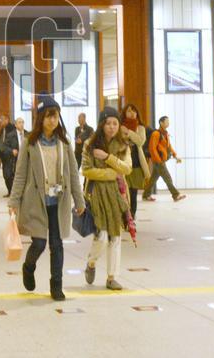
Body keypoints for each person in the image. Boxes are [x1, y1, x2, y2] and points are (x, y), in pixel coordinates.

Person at [9, 97, 85, 301]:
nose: (53, 120)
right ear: (41, 118)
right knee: (40, 243)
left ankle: (56, 286)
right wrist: (13, 202)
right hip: (37, 202)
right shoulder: (29, 143)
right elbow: (20, 175)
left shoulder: (64, 143)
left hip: (58, 202)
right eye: (49, 116)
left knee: (57, 244)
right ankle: (29, 267)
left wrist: (79, 201)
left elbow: (73, 175)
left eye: (56, 116)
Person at [83, 106, 133, 291]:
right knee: (102, 236)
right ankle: (91, 262)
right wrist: (111, 174)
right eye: (108, 123)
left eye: (115, 123)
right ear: (101, 125)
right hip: (96, 195)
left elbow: (127, 169)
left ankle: (112, 277)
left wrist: (108, 157)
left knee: (115, 237)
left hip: (116, 195)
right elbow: (86, 170)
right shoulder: (90, 144)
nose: (112, 127)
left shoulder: (123, 146)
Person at [142, 116, 186, 202]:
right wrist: (158, 160)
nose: (168, 123)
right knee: (167, 178)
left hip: (161, 160)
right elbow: (152, 148)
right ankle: (175, 195)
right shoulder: (156, 134)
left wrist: (175, 156)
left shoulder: (165, 134)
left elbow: (169, 147)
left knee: (153, 179)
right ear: (161, 123)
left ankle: (146, 195)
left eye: (168, 122)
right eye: (166, 122)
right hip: (158, 161)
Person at [121, 104, 151, 219]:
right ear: (124, 113)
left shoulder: (141, 128)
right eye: (129, 111)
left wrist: (128, 132)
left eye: (134, 111)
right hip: (123, 164)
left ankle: (131, 217)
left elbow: (140, 141)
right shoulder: (119, 126)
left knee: (133, 193)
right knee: (124, 192)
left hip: (137, 164)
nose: (132, 113)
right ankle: (124, 216)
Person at [0, 114, 20, 197]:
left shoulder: (12, 129)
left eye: (2, 120)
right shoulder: (2, 130)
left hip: (11, 156)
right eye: (0, 121)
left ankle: (12, 192)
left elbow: (15, 142)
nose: (0, 122)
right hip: (4, 156)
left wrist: (12, 151)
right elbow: (1, 143)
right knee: (6, 175)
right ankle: (10, 191)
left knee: (10, 175)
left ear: (7, 120)